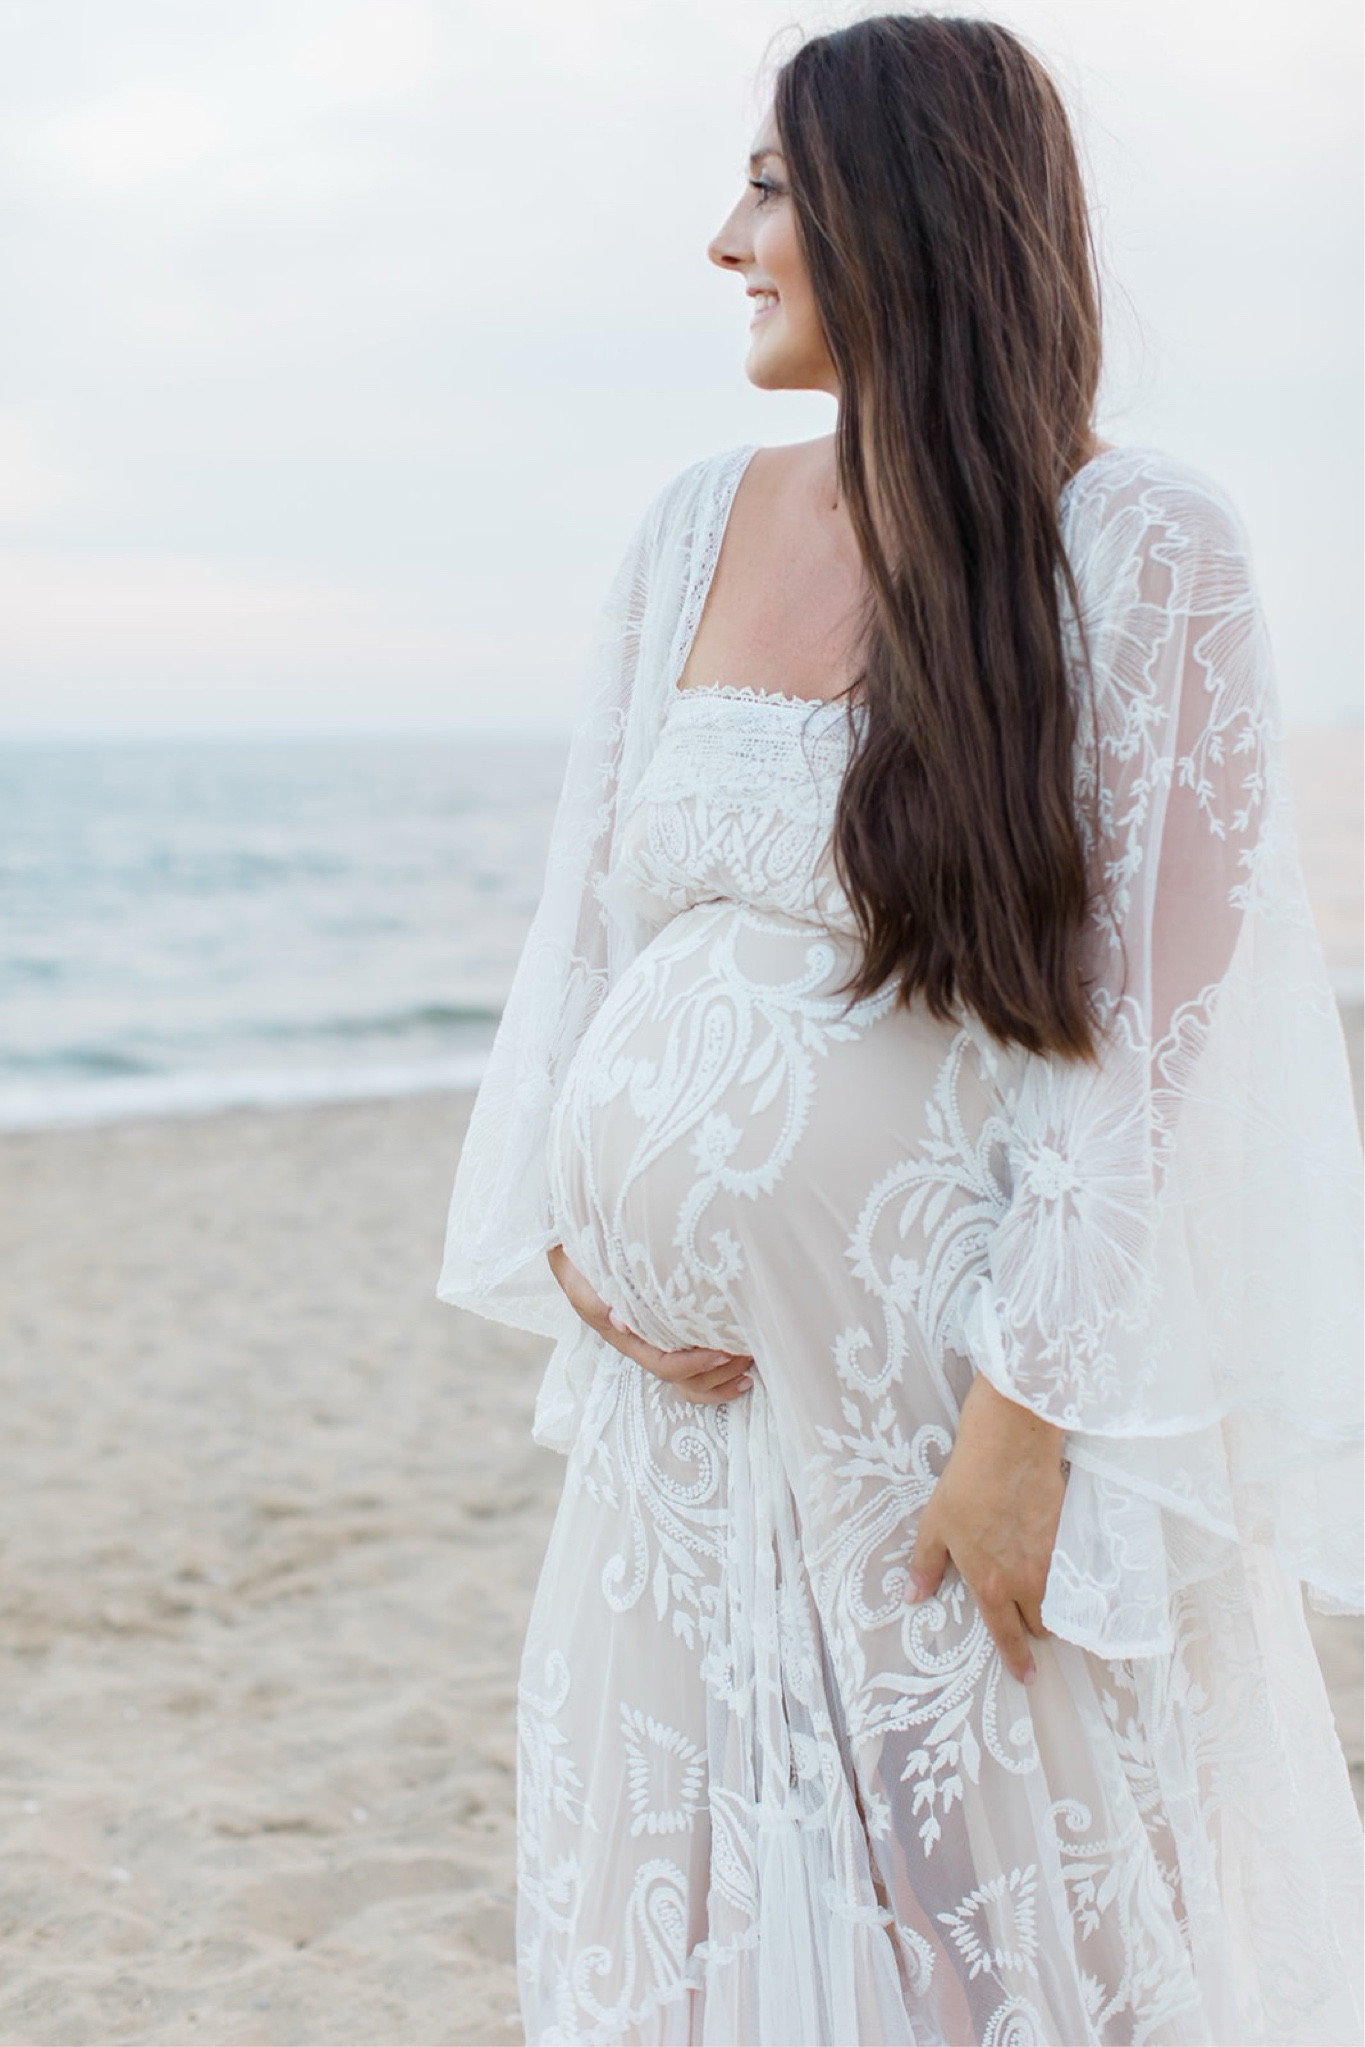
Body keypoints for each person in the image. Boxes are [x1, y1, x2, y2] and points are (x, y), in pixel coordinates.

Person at [439, 15, 1363, 2044]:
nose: (722, 239)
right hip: (678, 1426)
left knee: (991, 1933)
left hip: (947, 1406)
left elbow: (1147, 1051)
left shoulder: (1140, 548)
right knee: (685, 1887)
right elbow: (596, 929)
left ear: (907, 205)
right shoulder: (689, 522)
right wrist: (587, 1235)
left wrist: (1019, 1429)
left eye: (766, 185)